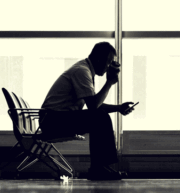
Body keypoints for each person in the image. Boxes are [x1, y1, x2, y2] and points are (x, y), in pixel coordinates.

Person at [40, 42, 137, 180]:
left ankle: (100, 167)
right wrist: (109, 82)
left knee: (99, 117)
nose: (109, 66)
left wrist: (118, 108)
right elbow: (93, 106)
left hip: (54, 118)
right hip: (52, 120)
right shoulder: (82, 71)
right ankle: (99, 169)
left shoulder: (85, 70)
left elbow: (93, 105)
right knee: (99, 117)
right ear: (98, 59)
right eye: (108, 62)